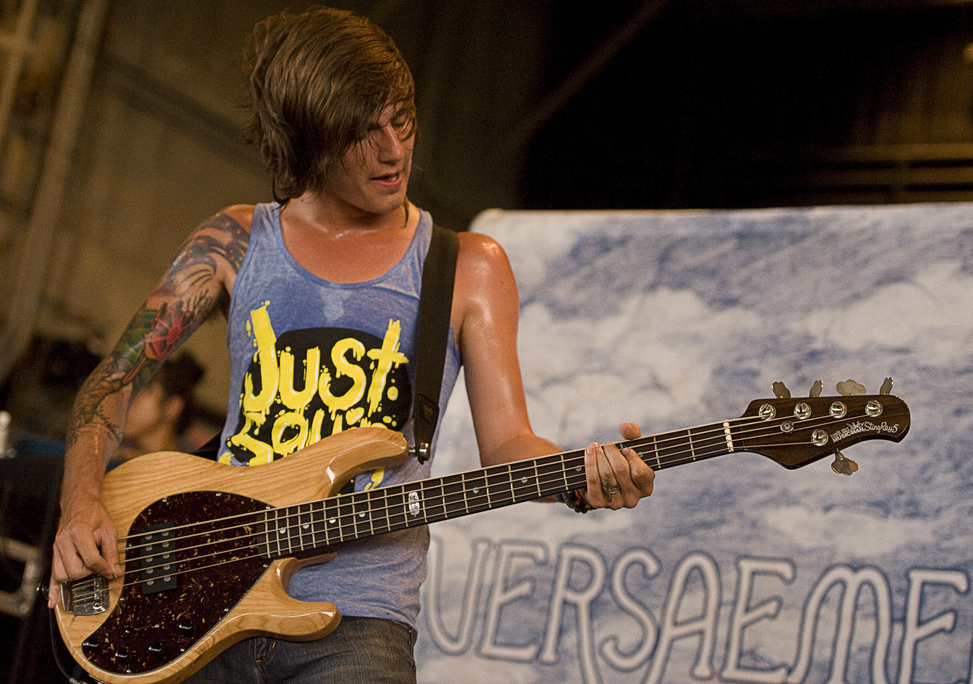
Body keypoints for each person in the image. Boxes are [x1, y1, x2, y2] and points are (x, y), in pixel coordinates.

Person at [48, 8, 655, 683]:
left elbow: (508, 445)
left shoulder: (466, 266)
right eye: (363, 133)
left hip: (360, 622)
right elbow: (114, 379)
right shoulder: (236, 241)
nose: (394, 151)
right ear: (307, 143)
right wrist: (81, 505)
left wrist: (581, 478)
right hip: (199, 606)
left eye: (402, 119)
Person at [112, 350, 205, 463]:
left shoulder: (193, 465)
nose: (126, 400)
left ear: (172, 407)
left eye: (143, 390)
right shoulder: (113, 453)